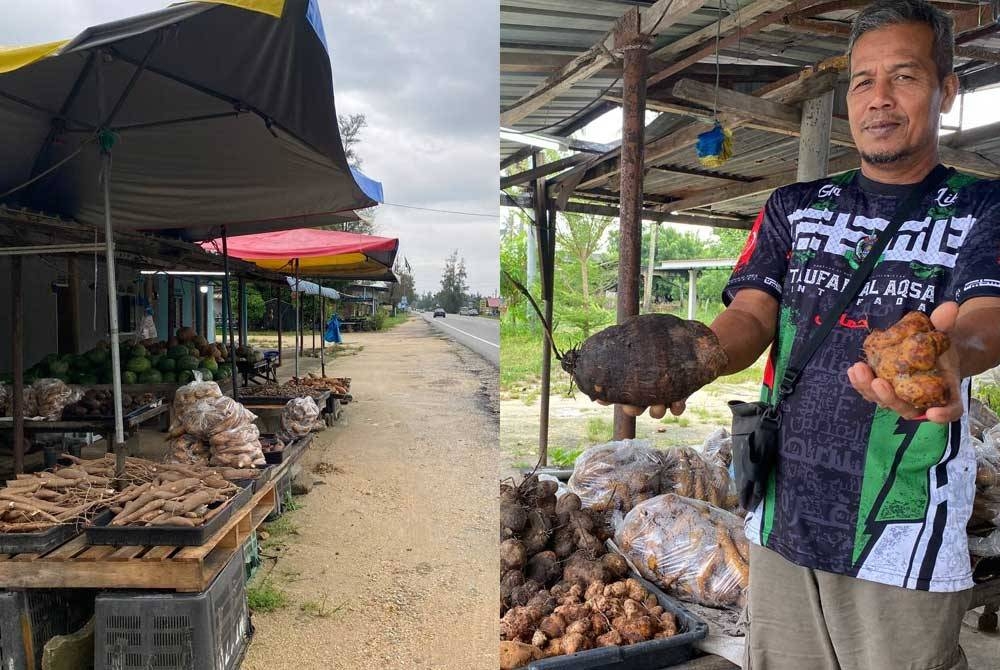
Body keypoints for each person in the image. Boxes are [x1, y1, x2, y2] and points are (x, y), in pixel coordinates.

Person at [616, 1, 1000, 667]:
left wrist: (946, 361)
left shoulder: (983, 205)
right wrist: (693, 358)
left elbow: (984, 318)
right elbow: (751, 317)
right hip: (781, 510)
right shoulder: (794, 208)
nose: (878, 99)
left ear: (945, 91)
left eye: (903, 78)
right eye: (862, 80)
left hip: (900, 525)